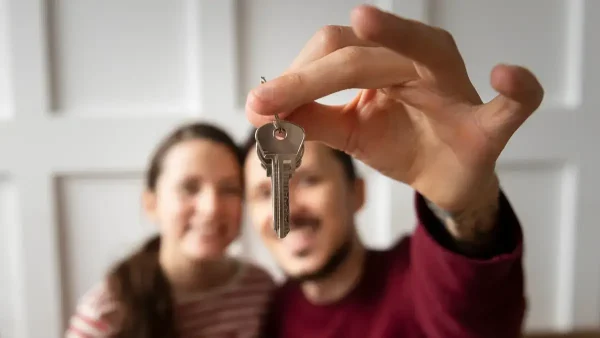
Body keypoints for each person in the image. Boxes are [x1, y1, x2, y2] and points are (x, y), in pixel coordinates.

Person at [242, 4, 544, 338]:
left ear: (357, 193)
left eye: (311, 180)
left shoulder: (416, 277)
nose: (289, 207)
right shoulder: (267, 312)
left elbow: (476, 314)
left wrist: (467, 207)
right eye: (262, 193)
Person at [65, 122, 275, 338]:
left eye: (229, 189)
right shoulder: (107, 312)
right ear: (151, 204)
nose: (211, 208)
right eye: (189, 188)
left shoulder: (260, 289)